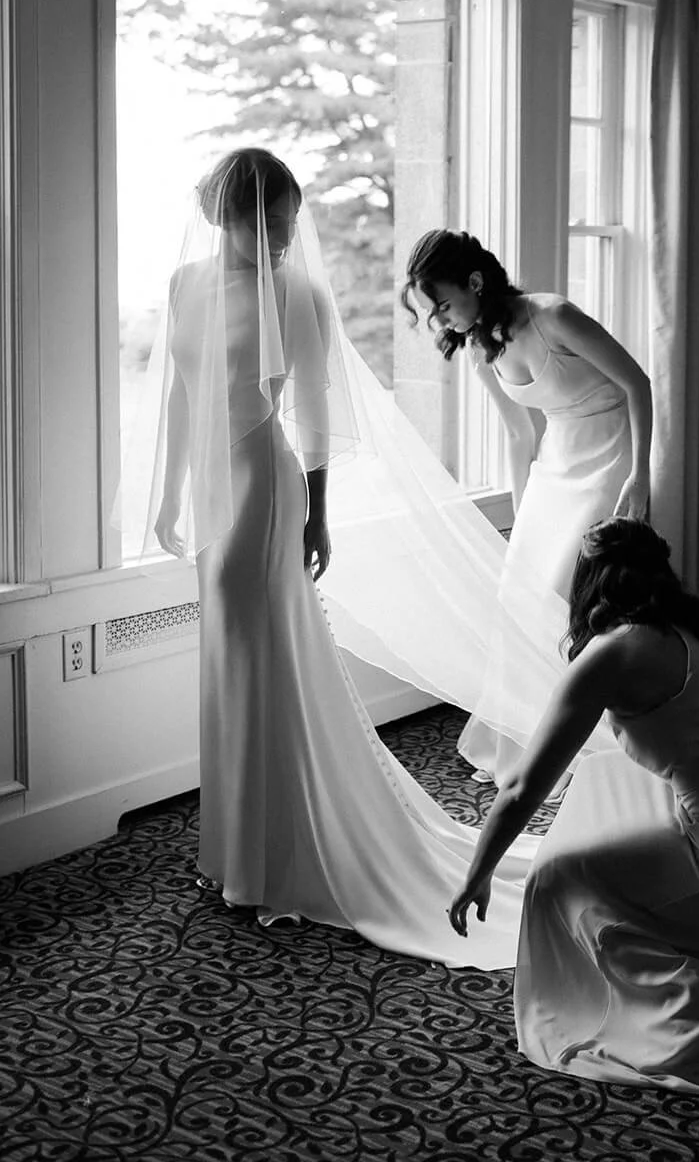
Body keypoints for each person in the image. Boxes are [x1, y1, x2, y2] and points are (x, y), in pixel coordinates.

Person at [143, 147, 539, 967]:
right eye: (278, 219)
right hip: (213, 497)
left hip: (262, 492)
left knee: (259, 666)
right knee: (231, 668)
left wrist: (318, 515)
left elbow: (314, 415)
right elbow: (181, 396)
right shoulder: (185, 285)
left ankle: (268, 861)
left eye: (293, 219)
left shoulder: (296, 293)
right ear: (235, 215)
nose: (290, 234)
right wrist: (166, 495)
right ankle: (235, 852)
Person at [448, 518, 699, 1100]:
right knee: (609, 787)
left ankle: (668, 1026)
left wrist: (476, 876)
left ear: (586, 585)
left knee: (558, 878)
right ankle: (677, 957)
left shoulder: (614, 652)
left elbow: (521, 787)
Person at [401, 229, 653, 781]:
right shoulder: (479, 353)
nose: (441, 322)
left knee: (571, 597)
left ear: (474, 281)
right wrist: (523, 517)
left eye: (443, 306)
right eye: (432, 314)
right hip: (554, 469)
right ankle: (527, 739)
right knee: (519, 595)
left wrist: (641, 475)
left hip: (610, 456)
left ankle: (590, 744)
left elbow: (636, 382)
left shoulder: (553, 315)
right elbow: (519, 436)